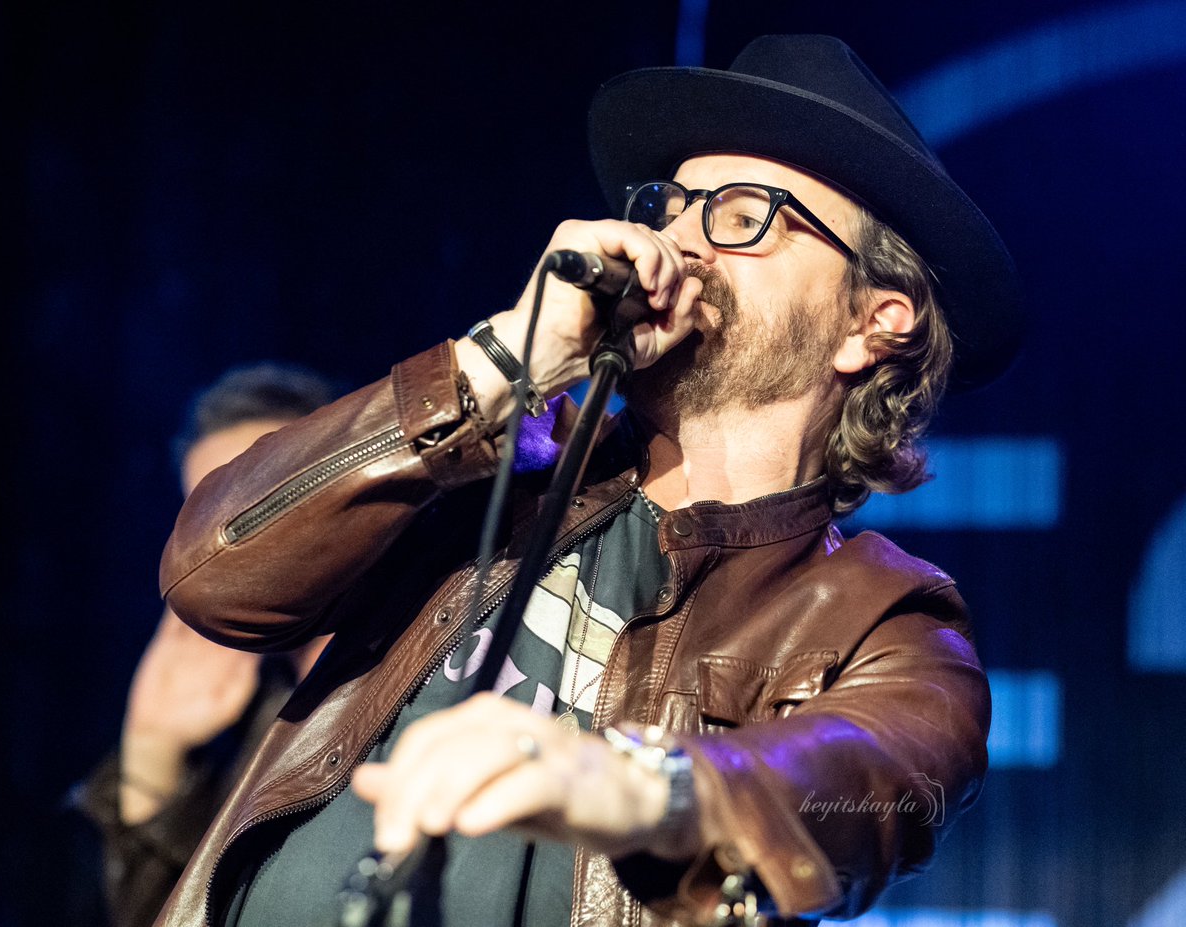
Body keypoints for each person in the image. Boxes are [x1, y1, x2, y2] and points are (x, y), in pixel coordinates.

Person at [155, 35, 1021, 926]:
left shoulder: (884, 622)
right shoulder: (502, 456)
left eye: (742, 212)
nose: (677, 242)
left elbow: (861, 791)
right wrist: (500, 362)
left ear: (871, 324)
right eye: (673, 206)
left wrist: (638, 783)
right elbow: (215, 575)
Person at [75, 363, 340, 927]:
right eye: (204, 513)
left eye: (261, 495)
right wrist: (153, 751)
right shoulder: (253, 708)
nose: (229, 538)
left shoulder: (450, 637)